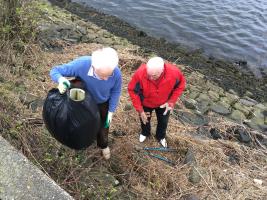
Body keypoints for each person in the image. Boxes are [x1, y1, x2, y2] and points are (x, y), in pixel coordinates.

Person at [50, 47, 122, 160]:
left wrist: (111, 111)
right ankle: (82, 140)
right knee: (82, 123)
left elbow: (116, 91)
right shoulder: (81, 64)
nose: (105, 79)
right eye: (102, 75)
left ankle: (103, 145)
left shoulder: (116, 72)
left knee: (104, 125)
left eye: (108, 75)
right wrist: (60, 80)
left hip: (102, 103)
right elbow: (55, 71)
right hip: (82, 102)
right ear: (93, 66)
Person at [128, 57, 186, 147]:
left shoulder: (174, 73)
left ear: (162, 70)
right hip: (146, 102)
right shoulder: (140, 73)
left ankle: (160, 136)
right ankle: (145, 133)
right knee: (144, 119)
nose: (151, 78)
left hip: (164, 103)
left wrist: (171, 101)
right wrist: (140, 110)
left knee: (163, 121)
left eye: (154, 75)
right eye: (149, 75)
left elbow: (180, 85)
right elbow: (132, 90)